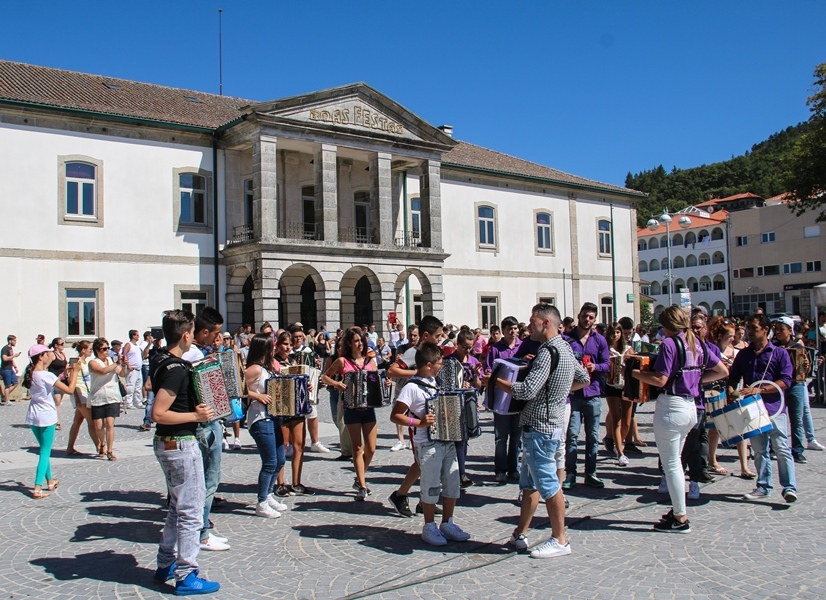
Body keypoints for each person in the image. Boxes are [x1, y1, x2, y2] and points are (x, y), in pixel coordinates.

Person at [493, 304, 589, 558]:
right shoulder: (566, 348)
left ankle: (560, 539)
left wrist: (494, 381)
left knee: (548, 485)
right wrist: (558, 393)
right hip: (550, 423)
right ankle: (519, 534)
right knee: (529, 485)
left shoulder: (547, 352)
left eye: (532, 320)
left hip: (540, 426)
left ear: (546, 322)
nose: (528, 325)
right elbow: (584, 378)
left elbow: (526, 391)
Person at [631, 306, 727, 533]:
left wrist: (634, 373)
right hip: (691, 405)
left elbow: (660, 379)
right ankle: (677, 511)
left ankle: (680, 517)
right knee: (676, 461)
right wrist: (696, 381)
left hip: (672, 406)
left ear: (667, 325)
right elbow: (722, 370)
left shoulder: (670, 344)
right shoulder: (698, 343)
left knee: (672, 464)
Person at [150, 309, 221, 595]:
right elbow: (158, 413)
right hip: (179, 442)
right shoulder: (177, 369)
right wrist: (196, 415)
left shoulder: (159, 359)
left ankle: (165, 562)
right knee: (191, 511)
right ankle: (187, 574)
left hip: (167, 444)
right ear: (186, 334)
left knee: (176, 507)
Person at [391, 343, 471, 546]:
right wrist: (419, 422)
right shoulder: (411, 387)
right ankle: (429, 526)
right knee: (431, 484)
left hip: (447, 440)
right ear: (428, 364)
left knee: (452, 483)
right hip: (427, 443)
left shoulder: (435, 382)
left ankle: (448, 522)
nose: (441, 366)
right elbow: (396, 416)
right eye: (439, 363)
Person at [728, 313, 796, 503]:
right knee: (759, 450)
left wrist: (759, 390)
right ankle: (763, 486)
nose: (749, 332)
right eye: (748, 328)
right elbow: (733, 376)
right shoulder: (744, 354)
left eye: (753, 328)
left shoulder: (779, 353)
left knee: (782, 448)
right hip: (753, 409)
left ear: (765, 330)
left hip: (774, 408)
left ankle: (789, 487)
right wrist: (731, 391)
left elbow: (785, 381)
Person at [181, 307, 230, 552]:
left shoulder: (190, 352)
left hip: (201, 423)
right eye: (215, 333)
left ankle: (202, 529)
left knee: (202, 481)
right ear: (204, 331)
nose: (217, 338)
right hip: (206, 423)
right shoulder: (194, 355)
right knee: (209, 481)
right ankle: (201, 532)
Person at [387, 316, 444, 518]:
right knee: (422, 461)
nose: (440, 339)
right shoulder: (413, 353)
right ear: (426, 335)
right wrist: (416, 374)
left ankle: (423, 500)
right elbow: (391, 370)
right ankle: (402, 494)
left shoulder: (435, 353)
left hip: (429, 412)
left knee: (425, 461)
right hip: (413, 409)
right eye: (437, 336)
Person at [322, 327, 379, 501]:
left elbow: (375, 379)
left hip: (368, 407)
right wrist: (337, 384)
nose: (359, 344)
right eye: (356, 341)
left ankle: (359, 476)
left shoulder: (370, 360)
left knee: (371, 448)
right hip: (351, 407)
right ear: (349, 343)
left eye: (361, 340)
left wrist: (384, 383)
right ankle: (362, 485)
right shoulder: (342, 361)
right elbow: (325, 377)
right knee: (357, 448)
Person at [563, 302, 610, 489]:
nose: (587, 319)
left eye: (591, 317)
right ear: (579, 315)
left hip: (593, 393)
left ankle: (591, 473)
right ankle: (570, 474)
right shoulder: (566, 338)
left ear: (595, 319)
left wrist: (595, 367)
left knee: (592, 436)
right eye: (584, 316)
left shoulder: (600, 340)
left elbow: (607, 365)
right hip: (573, 394)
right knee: (572, 435)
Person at [23, 344, 78, 499]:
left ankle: (50, 480)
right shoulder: (46, 375)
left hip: (34, 415)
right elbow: (69, 390)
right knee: (45, 452)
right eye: (48, 353)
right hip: (46, 416)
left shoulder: (31, 373)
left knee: (43, 449)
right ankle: (37, 487)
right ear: (41, 356)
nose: (51, 355)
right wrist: (75, 373)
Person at [244, 333, 289, 518]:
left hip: (273, 417)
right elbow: (237, 388)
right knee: (270, 461)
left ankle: (269, 494)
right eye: (272, 346)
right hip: (260, 417)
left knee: (280, 459)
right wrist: (257, 395)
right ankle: (261, 502)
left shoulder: (268, 368)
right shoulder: (254, 369)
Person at [706, 317, 754, 479]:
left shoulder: (736, 352)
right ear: (720, 336)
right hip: (717, 392)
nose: (733, 338)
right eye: (730, 335)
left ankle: (744, 466)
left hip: (734, 392)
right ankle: (712, 460)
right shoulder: (712, 351)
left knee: (740, 429)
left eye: (734, 336)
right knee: (714, 429)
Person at [273, 331, 314, 497]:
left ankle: (296, 482)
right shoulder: (272, 362)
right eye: (285, 344)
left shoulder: (293, 360)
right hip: (282, 407)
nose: (288, 347)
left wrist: (308, 384)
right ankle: (280, 483)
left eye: (290, 345)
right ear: (277, 344)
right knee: (282, 446)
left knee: (299, 445)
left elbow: (301, 379)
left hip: (296, 406)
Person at [485, 316, 523, 483]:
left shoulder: (523, 346)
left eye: (515, 328)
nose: (513, 332)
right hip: (501, 398)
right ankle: (500, 470)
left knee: (517, 437)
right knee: (501, 437)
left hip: (519, 398)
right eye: (509, 329)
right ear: (503, 331)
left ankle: (514, 468)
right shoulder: (495, 349)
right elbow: (487, 369)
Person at [290, 326, 329, 454]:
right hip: (291, 388)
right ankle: (292, 444)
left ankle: (315, 442)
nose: (298, 339)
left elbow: (315, 369)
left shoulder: (308, 351)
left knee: (312, 414)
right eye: (295, 337)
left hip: (308, 387)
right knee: (293, 417)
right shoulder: (288, 352)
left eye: (300, 337)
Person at [603, 319, 636, 467]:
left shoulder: (628, 349)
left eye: (617, 332)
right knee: (616, 418)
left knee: (627, 422)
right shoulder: (606, 349)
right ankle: (621, 452)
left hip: (626, 386)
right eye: (612, 333)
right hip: (611, 386)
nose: (615, 335)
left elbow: (636, 365)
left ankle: (618, 443)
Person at [88, 338, 125, 461]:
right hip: (98, 396)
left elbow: (122, 373)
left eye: (108, 348)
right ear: (97, 351)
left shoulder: (111, 360)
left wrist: (124, 365)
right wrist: (117, 363)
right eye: (104, 349)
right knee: (99, 426)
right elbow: (103, 371)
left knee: (110, 424)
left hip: (112, 395)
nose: (107, 351)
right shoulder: (93, 362)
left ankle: (110, 450)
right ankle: (102, 444)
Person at [389, 324, 420, 453]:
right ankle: (400, 440)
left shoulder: (420, 349)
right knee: (399, 408)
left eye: (414, 335)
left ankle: (413, 437)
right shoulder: (401, 348)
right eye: (410, 335)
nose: (412, 338)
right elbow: (397, 365)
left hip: (415, 383)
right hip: (402, 383)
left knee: (415, 410)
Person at [66, 340, 99, 456]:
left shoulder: (86, 361)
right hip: (79, 394)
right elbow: (71, 380)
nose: (91, 351)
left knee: (77, 421)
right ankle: (99, 447)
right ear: (83, 350)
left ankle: (70, 447)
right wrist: (76, 397)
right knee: (91, 421)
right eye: (89, 349)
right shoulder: (76, 361)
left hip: (86, 393)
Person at [47, 338, 68, 431]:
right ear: (56, 345)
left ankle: (53, 420)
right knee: (57, 402)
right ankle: (57, 422)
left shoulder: (63, 354)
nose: (63, 345)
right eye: (61, 344)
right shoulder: (52, 354)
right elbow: (46, 366)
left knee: (58, 402)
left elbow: (65, 365)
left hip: (63, 380)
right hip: (55, 381)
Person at [122, 330, 145, 410]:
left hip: (138, 369)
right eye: (137, 335)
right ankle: (128, 402)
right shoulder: (129, 345)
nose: (138, 337)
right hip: (132, 369)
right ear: (133, 336)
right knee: (130, 386)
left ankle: (137, 402)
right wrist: (128, 365)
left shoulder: (137, 345)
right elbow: (124, 355)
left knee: (138, 387)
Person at [1, 334, 21, 405]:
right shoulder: (5, 349)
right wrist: (14, 356)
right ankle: (6, 400)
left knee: (15, 382)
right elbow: (4, 358)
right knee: (8, 385)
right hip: (5, 369)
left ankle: (5, 396)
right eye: (14, 341)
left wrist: (15, 367)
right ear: (10, 341)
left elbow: (11, 359)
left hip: (10, 369)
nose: (15, 342)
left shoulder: (10, 349)